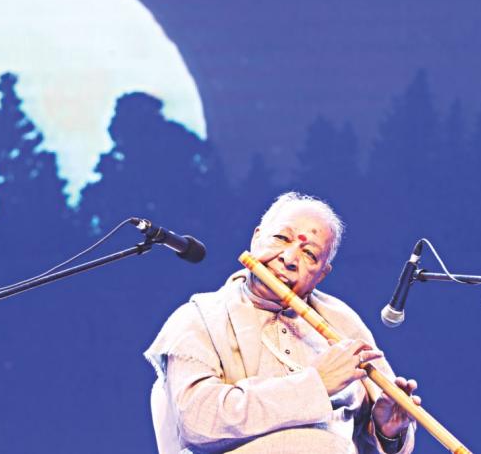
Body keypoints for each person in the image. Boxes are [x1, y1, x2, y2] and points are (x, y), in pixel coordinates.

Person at [145, 192, 420, 453]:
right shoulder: (198, 317)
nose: (289, 259)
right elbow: (198, 421)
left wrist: (388, 430)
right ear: (256, 238)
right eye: (280, 238)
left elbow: (376, 437)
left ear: (322, 274)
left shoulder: (343, 324)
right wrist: (315, 385)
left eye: (309, 254)